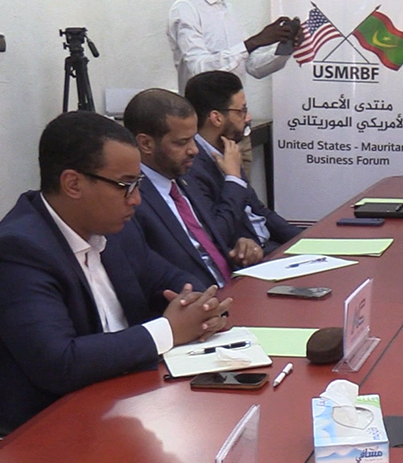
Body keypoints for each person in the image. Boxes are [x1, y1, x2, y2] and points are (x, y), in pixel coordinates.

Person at [0, 112, 230, 463]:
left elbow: (176, 280)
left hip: (123, 406)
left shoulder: (114, 230)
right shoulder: (15, 252)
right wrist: (169, 330)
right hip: (35, 440)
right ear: (73, 184)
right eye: (125, 185)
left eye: (139, 184)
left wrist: (200, 307)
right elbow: (59, 363)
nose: (136, 200)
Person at [125, 89, 263, 290]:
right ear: (146, 144)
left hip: (236, 286)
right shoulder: (132, 200)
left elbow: (212, 241)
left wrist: (242, 248)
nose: (194, 150)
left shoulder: (183, 179)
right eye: (181, 142)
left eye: (193, 138)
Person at [184, 70, 298, 254]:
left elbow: (260, 211)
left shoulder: (227, 148)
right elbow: (218, 233)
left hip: (272, 248)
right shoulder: (191, 166)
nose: (248, 117)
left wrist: (306, 240)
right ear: (216, 118)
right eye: (241, 111)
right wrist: (234, 179)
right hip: (249, 257)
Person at [167, 0, 302, 92]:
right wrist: (254, 42)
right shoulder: (185, 8)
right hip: (202, 116)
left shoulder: (227, 8)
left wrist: (286, 46)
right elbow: (199, 69)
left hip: (235, 115)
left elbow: (254, 67)